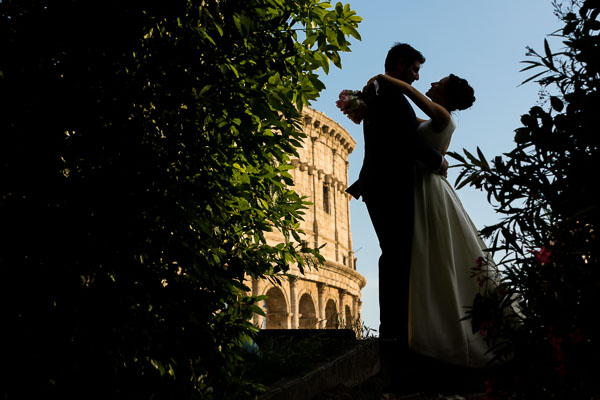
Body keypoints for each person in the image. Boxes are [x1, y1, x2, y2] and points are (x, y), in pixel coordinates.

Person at [372, 72, 495, 371]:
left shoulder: (442, 115)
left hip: (427, 188)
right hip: (420, 184)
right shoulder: (433, 121)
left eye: (438, 83)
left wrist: (386, 79)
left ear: (446, 94)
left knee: (430, 249)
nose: (431, 84)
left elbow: (415, 97)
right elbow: (401, 126)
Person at [346, 43, 447, 347]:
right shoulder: (387, 93)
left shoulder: (379, 91)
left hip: (380, 183)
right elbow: (405, 141)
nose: (416, 77)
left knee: (396, 254)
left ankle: (395, 329)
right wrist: (438, 160)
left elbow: (409, 131)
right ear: (401, 64)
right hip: (388, 184)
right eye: (414, 69)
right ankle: (394, 333)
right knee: (397, 255)